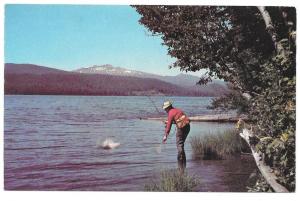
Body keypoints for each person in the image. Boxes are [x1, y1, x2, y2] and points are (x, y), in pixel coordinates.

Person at [162, 100, 190, 173]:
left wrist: (165, 136)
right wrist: (169, 122)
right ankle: (183, 164)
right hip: (188, 127)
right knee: (181, 144)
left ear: (168, 107)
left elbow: (168, 127)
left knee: (179, 145)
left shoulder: (170, 113)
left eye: (165, 109)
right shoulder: (178, 110)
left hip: (181, 129)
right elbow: (179, 119)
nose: (165, 110)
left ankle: (181, 166)